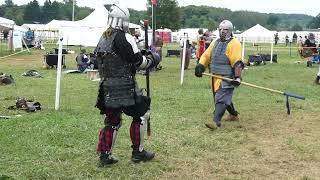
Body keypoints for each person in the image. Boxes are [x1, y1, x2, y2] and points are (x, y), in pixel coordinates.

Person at [94, 4, 159, 166]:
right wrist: (152, 60)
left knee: (112, 121)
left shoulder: (103, 37)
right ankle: (138, 152)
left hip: (107, 86)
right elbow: (136, 61)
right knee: (142, 113)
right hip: (124, 86)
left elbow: (98, 61)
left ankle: (105, 156)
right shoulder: (124, 37)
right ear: (124, 21)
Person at [194, 20, 244, 129]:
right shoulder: (215, 42)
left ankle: (216, 122)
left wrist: (237, 76)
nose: (222, 32)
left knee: (221, 98)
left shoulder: (234, 43)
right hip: (215, 76)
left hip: (227, 76)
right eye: (220, 29)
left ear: (230, 30)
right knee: (223, 97)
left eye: (225, 29)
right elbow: (207, 55)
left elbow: (237, 62)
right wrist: (201, 65)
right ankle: (234, 115)